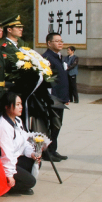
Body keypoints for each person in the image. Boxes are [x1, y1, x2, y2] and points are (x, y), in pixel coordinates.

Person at [0, 92, 39, 196]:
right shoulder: (3, 127)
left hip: (14, 158)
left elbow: (24, 141)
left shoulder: (17, 120)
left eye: (20, 104)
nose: (20, 107)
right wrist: (10, 175)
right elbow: (6, 154)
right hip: (1, 164)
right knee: (31, 182)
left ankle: (18, 183)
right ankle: (5, 185)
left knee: (34, 161)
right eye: (17, 105)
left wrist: (32, 153)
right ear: (7, 107)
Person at [43, 32, 69, 162]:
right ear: (49, 43)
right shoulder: (47, 58)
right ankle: (47, 152)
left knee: (57, 125)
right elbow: (48, 80)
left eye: (61, 41)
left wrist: (66, 97)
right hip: (53, 98)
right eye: (57, 41)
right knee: (52, 125)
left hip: (60, 98)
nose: (60, 43)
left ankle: (53, 150)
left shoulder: (58, 57)